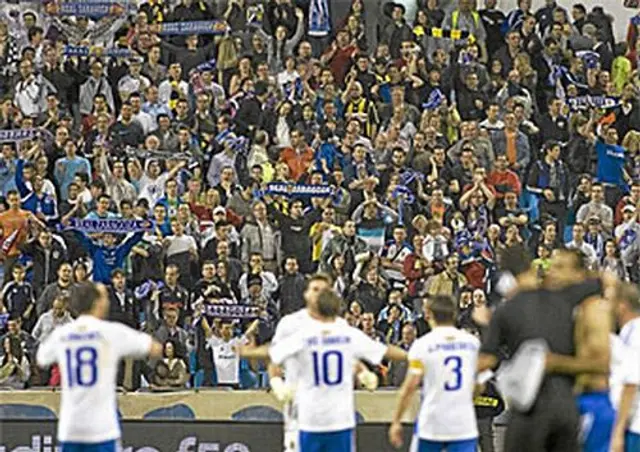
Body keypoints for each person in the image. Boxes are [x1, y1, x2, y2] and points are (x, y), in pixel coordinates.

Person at [239, 289, 407, 452]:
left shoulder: (304, 336)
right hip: (340, 418)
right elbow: (385, 350)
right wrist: (413, 356)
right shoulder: (348, 335)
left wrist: (248, 352)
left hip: (310, 417)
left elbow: (272, 351)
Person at [478, 245, 610, 452]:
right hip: (562, 407)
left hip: (579, 407)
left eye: (559, 267)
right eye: (550, 266)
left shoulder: (592, 310)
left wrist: (555, 363)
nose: (550, 272)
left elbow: (603, 365)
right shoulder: (562, 303)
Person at [36, 282, 162, 452]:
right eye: (104, 297)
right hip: (101, 428)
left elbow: (42, 358)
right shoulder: (110, 332)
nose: (107, 301)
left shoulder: (63, 334)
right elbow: (154, 348)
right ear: (97, 303)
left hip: (71, 427)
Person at [388, 295, 480, 451]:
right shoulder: (472, 343)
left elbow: (410, 386)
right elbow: (479, 385)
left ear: (428, 314)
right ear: (454, 314)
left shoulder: (423, 345)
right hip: (462, 423)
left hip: (432, 422)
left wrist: (396, 421)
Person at [611, 283, 640, 452]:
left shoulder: (635, 334)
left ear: (621, 306)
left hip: (635, 426)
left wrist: (618, 431)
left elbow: (631, 381)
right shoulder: (628, 332)